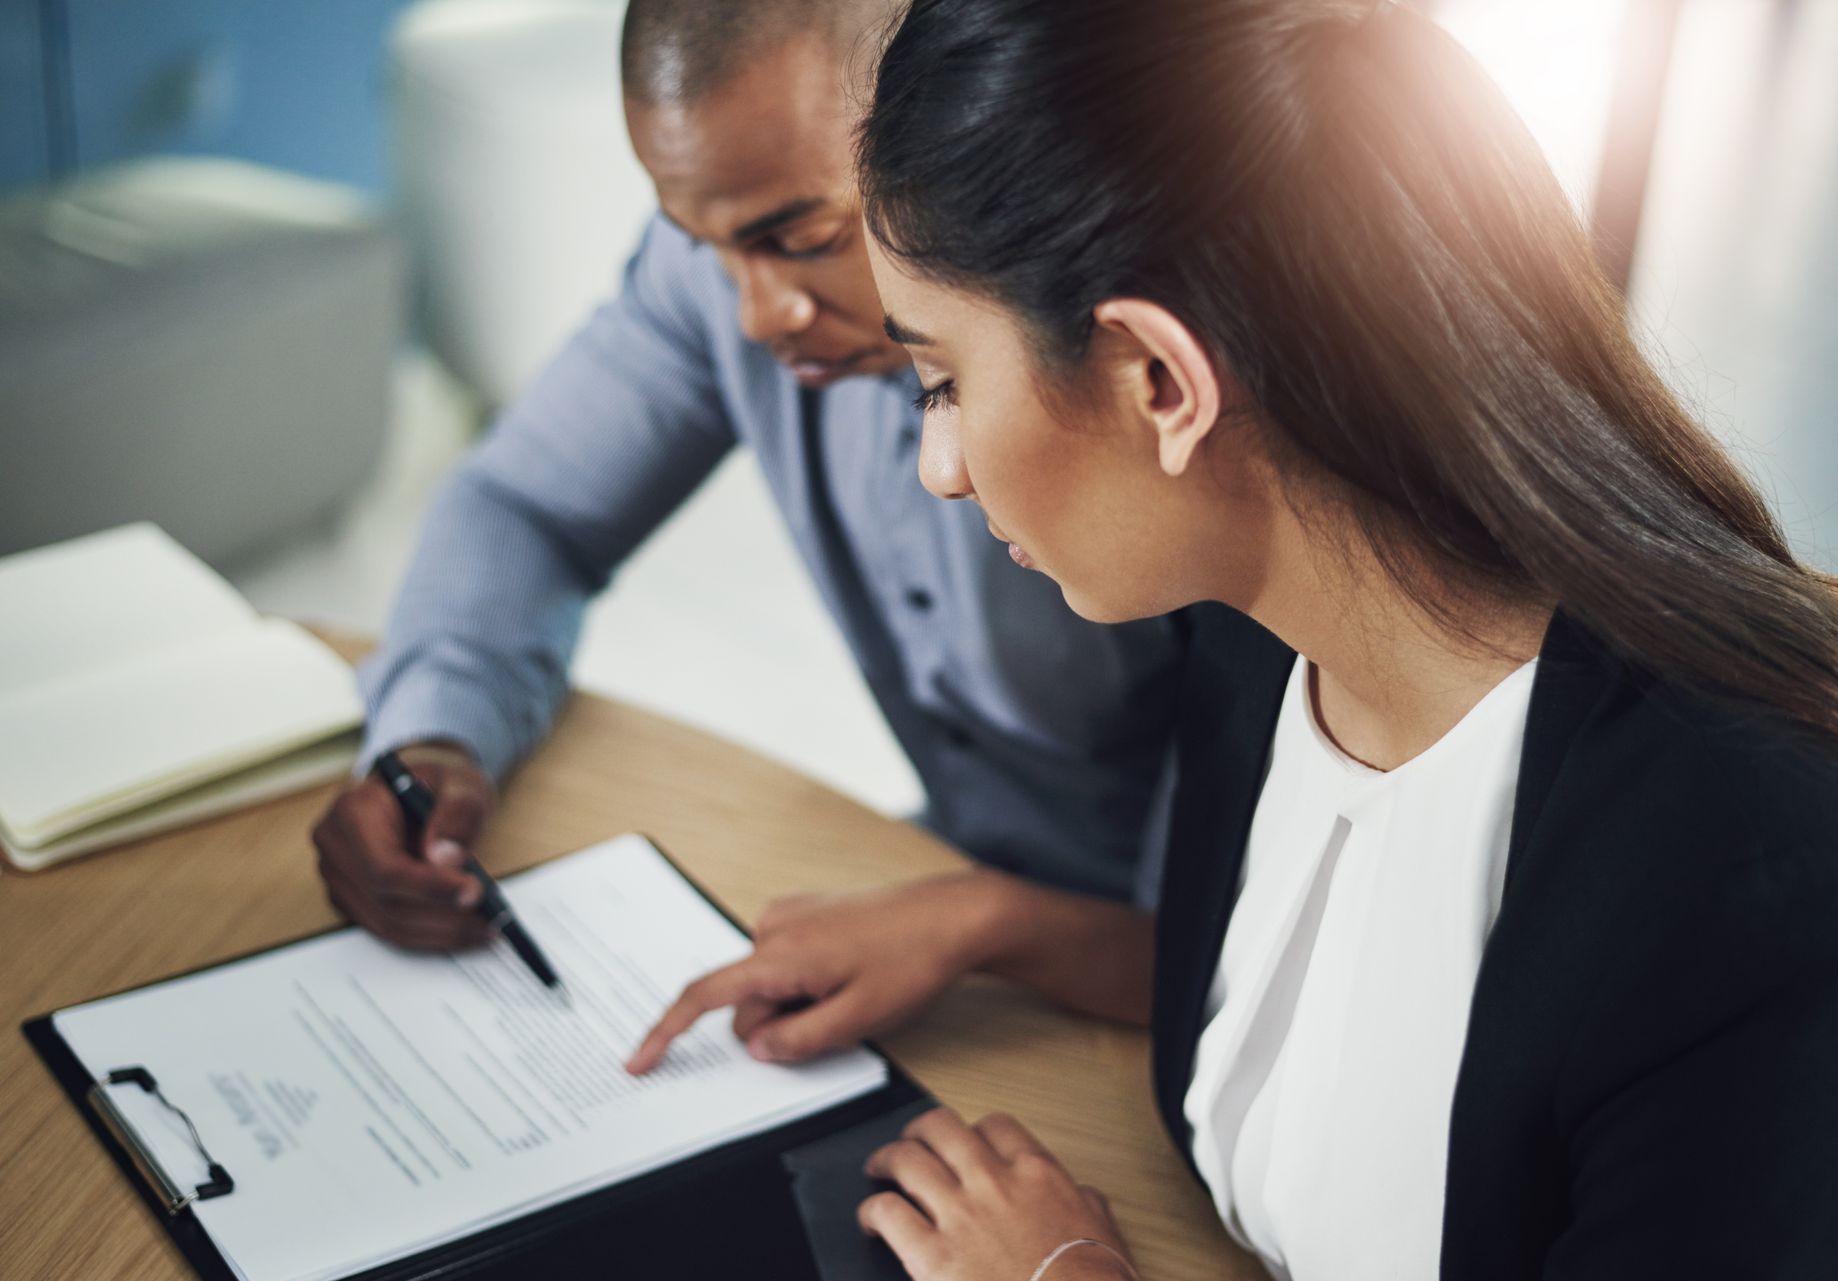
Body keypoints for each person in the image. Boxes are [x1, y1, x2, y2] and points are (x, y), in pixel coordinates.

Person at [634, 0, 1838, 1277]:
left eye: (943, 382)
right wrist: (989, 925)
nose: (942, 470)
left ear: (1159, 382)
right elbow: (1320, 1021)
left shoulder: (1746, 868)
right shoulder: (1260, 636)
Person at [310, 0, 1187, 1056]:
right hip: (951, 896)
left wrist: (989, 924)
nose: (754, 315)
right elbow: (526, 504)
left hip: (1173, 996)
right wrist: (432, 735)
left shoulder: (1148, 384)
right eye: (707, 248)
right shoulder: (733, 279)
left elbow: (1257, 953)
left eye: (799, 240)